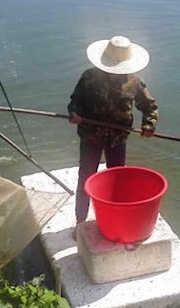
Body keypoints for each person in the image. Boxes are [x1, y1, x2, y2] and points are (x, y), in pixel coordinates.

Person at [68, 35, 158, 226]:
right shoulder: (89, 77)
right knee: (85, 177)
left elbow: (149, 106)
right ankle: (80, 222)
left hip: (117, 139)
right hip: (91, 136)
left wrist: (148, 125)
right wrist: (74, 113)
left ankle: (114, 219)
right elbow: (75, 101)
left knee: (117, 179)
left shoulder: (134, 81)